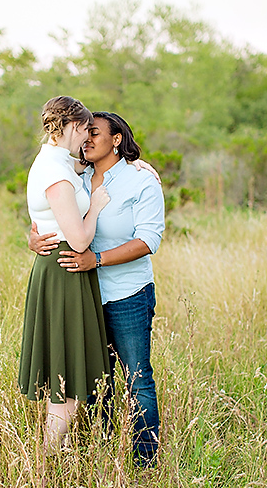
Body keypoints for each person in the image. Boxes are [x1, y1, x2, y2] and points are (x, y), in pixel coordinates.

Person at [29, 112, 165, 467]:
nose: (86, 139)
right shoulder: (77, 174)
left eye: (95, 133)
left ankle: (145, 462)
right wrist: (34, 237)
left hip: (127, 296)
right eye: (84, 132)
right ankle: (102, 453)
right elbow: (48, 206)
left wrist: (98, 260)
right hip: (81, 296)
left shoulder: (141, 181)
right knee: (92, 379)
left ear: (117, 139)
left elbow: (149, 240)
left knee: (138, 379)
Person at [18, 96, 111, 453]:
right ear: (72, 127)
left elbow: (81, 168)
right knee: (68, 382)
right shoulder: (56, 173)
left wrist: (138, 164)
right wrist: (97, 207)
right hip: (66, 268)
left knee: (65, 371)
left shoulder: (51, 161)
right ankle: (49, 455)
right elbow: (79, 238)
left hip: (60, 268)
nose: (86, 140)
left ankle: (57, 452)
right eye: (85, 131)